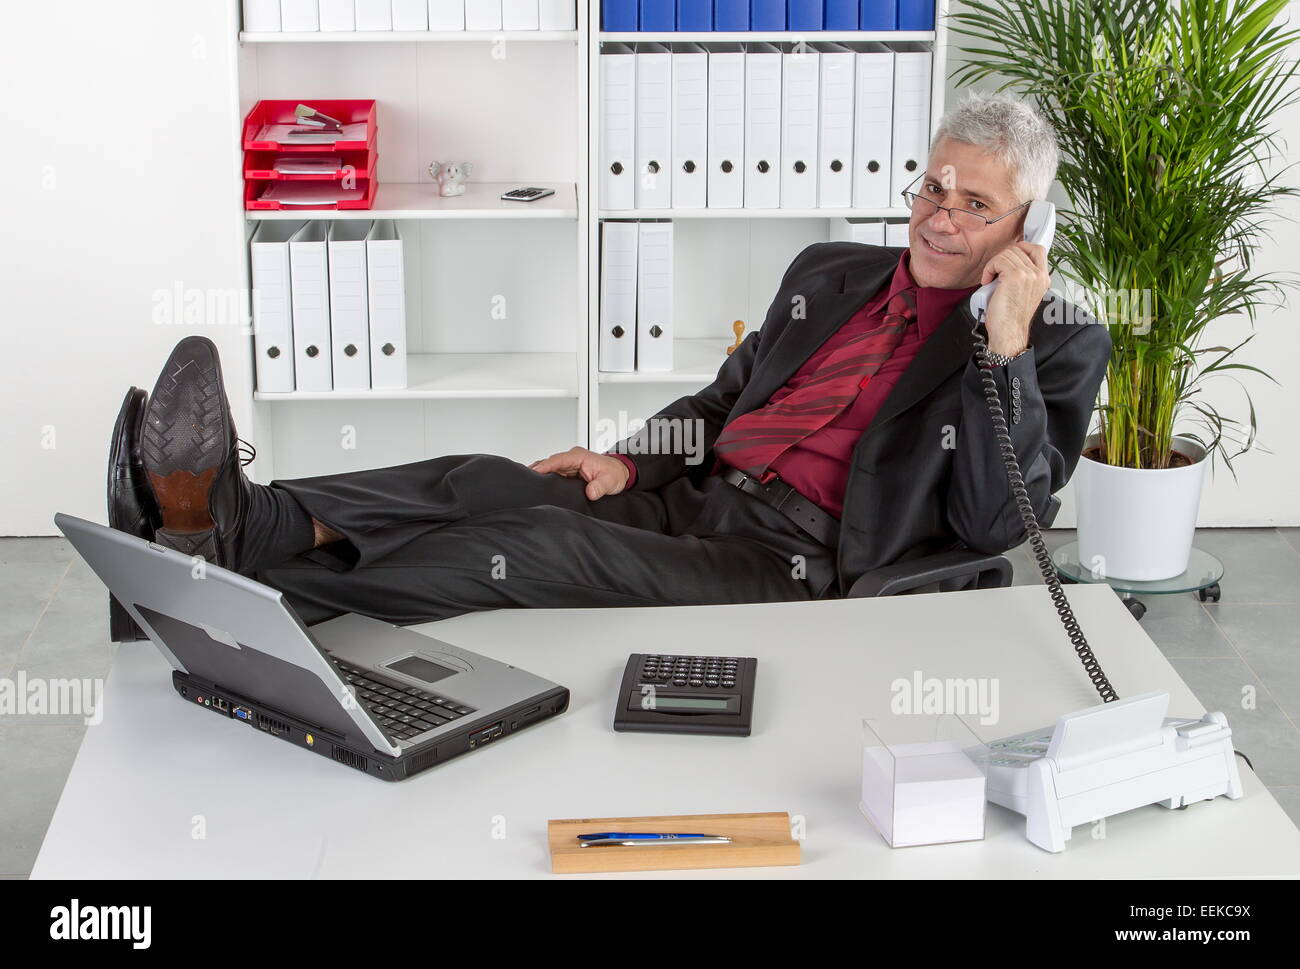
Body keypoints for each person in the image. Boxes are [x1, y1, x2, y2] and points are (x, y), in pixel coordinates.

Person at [107, 92, 1110, 637]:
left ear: (1030, 229)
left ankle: (236, 603)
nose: (939, 214)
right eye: (932, 185)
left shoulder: (1053, 342)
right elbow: (724, 402)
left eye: (976, 205)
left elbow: (992, 525)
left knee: (535, 547)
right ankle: (233, 519)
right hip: (693, 500)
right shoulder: (833, 274)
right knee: (491, 481)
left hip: (799, 566)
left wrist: (1004, 341)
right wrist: (633, 463)